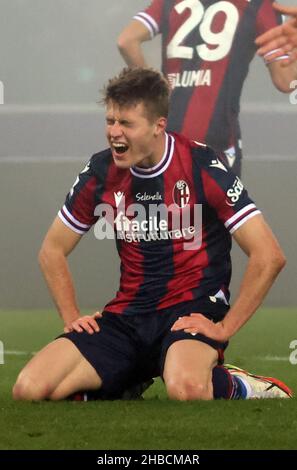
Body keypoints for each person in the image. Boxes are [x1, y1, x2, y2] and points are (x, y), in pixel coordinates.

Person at [13, 68, 292, 402]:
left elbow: (269, 255)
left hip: (191, 311)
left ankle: (244, 387)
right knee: (30, 391)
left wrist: (223, 328)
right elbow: (52, 250)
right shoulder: (99, 172)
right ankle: (127, 380)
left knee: (186, 389)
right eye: (110, 121)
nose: (114, 133)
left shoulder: (202, 166)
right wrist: (71, 316)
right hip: (127, 317)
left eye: (126, 124)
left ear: (159, 125)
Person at [117, 0, 297, 177]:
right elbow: (286, 80)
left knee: (165, 205)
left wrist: (156, 90)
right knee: (217, 206)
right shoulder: (260, 5)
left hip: (165, 135)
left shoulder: (168, 2)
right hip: (216, 137)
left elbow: (126, 41)